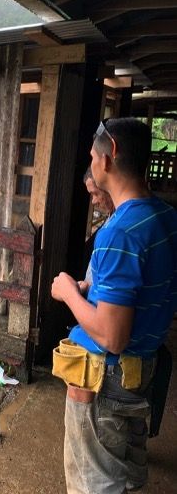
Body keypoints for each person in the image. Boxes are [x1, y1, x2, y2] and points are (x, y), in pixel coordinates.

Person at [51, 117, 177, 494]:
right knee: (126, 462)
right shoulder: (165, 216)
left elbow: (112, 335)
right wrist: (93, 287)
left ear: (110, 155)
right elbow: (144, 286)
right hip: (143, 366)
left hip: (106, 376)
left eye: (92, 155)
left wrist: (69, 293)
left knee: (95, 483)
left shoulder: (118, 232)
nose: (91, 163)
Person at [81, 168, 114, 291]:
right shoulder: (110, 219)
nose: (93, 201)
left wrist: (70, 294)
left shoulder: (116, 230)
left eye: (95, 193)